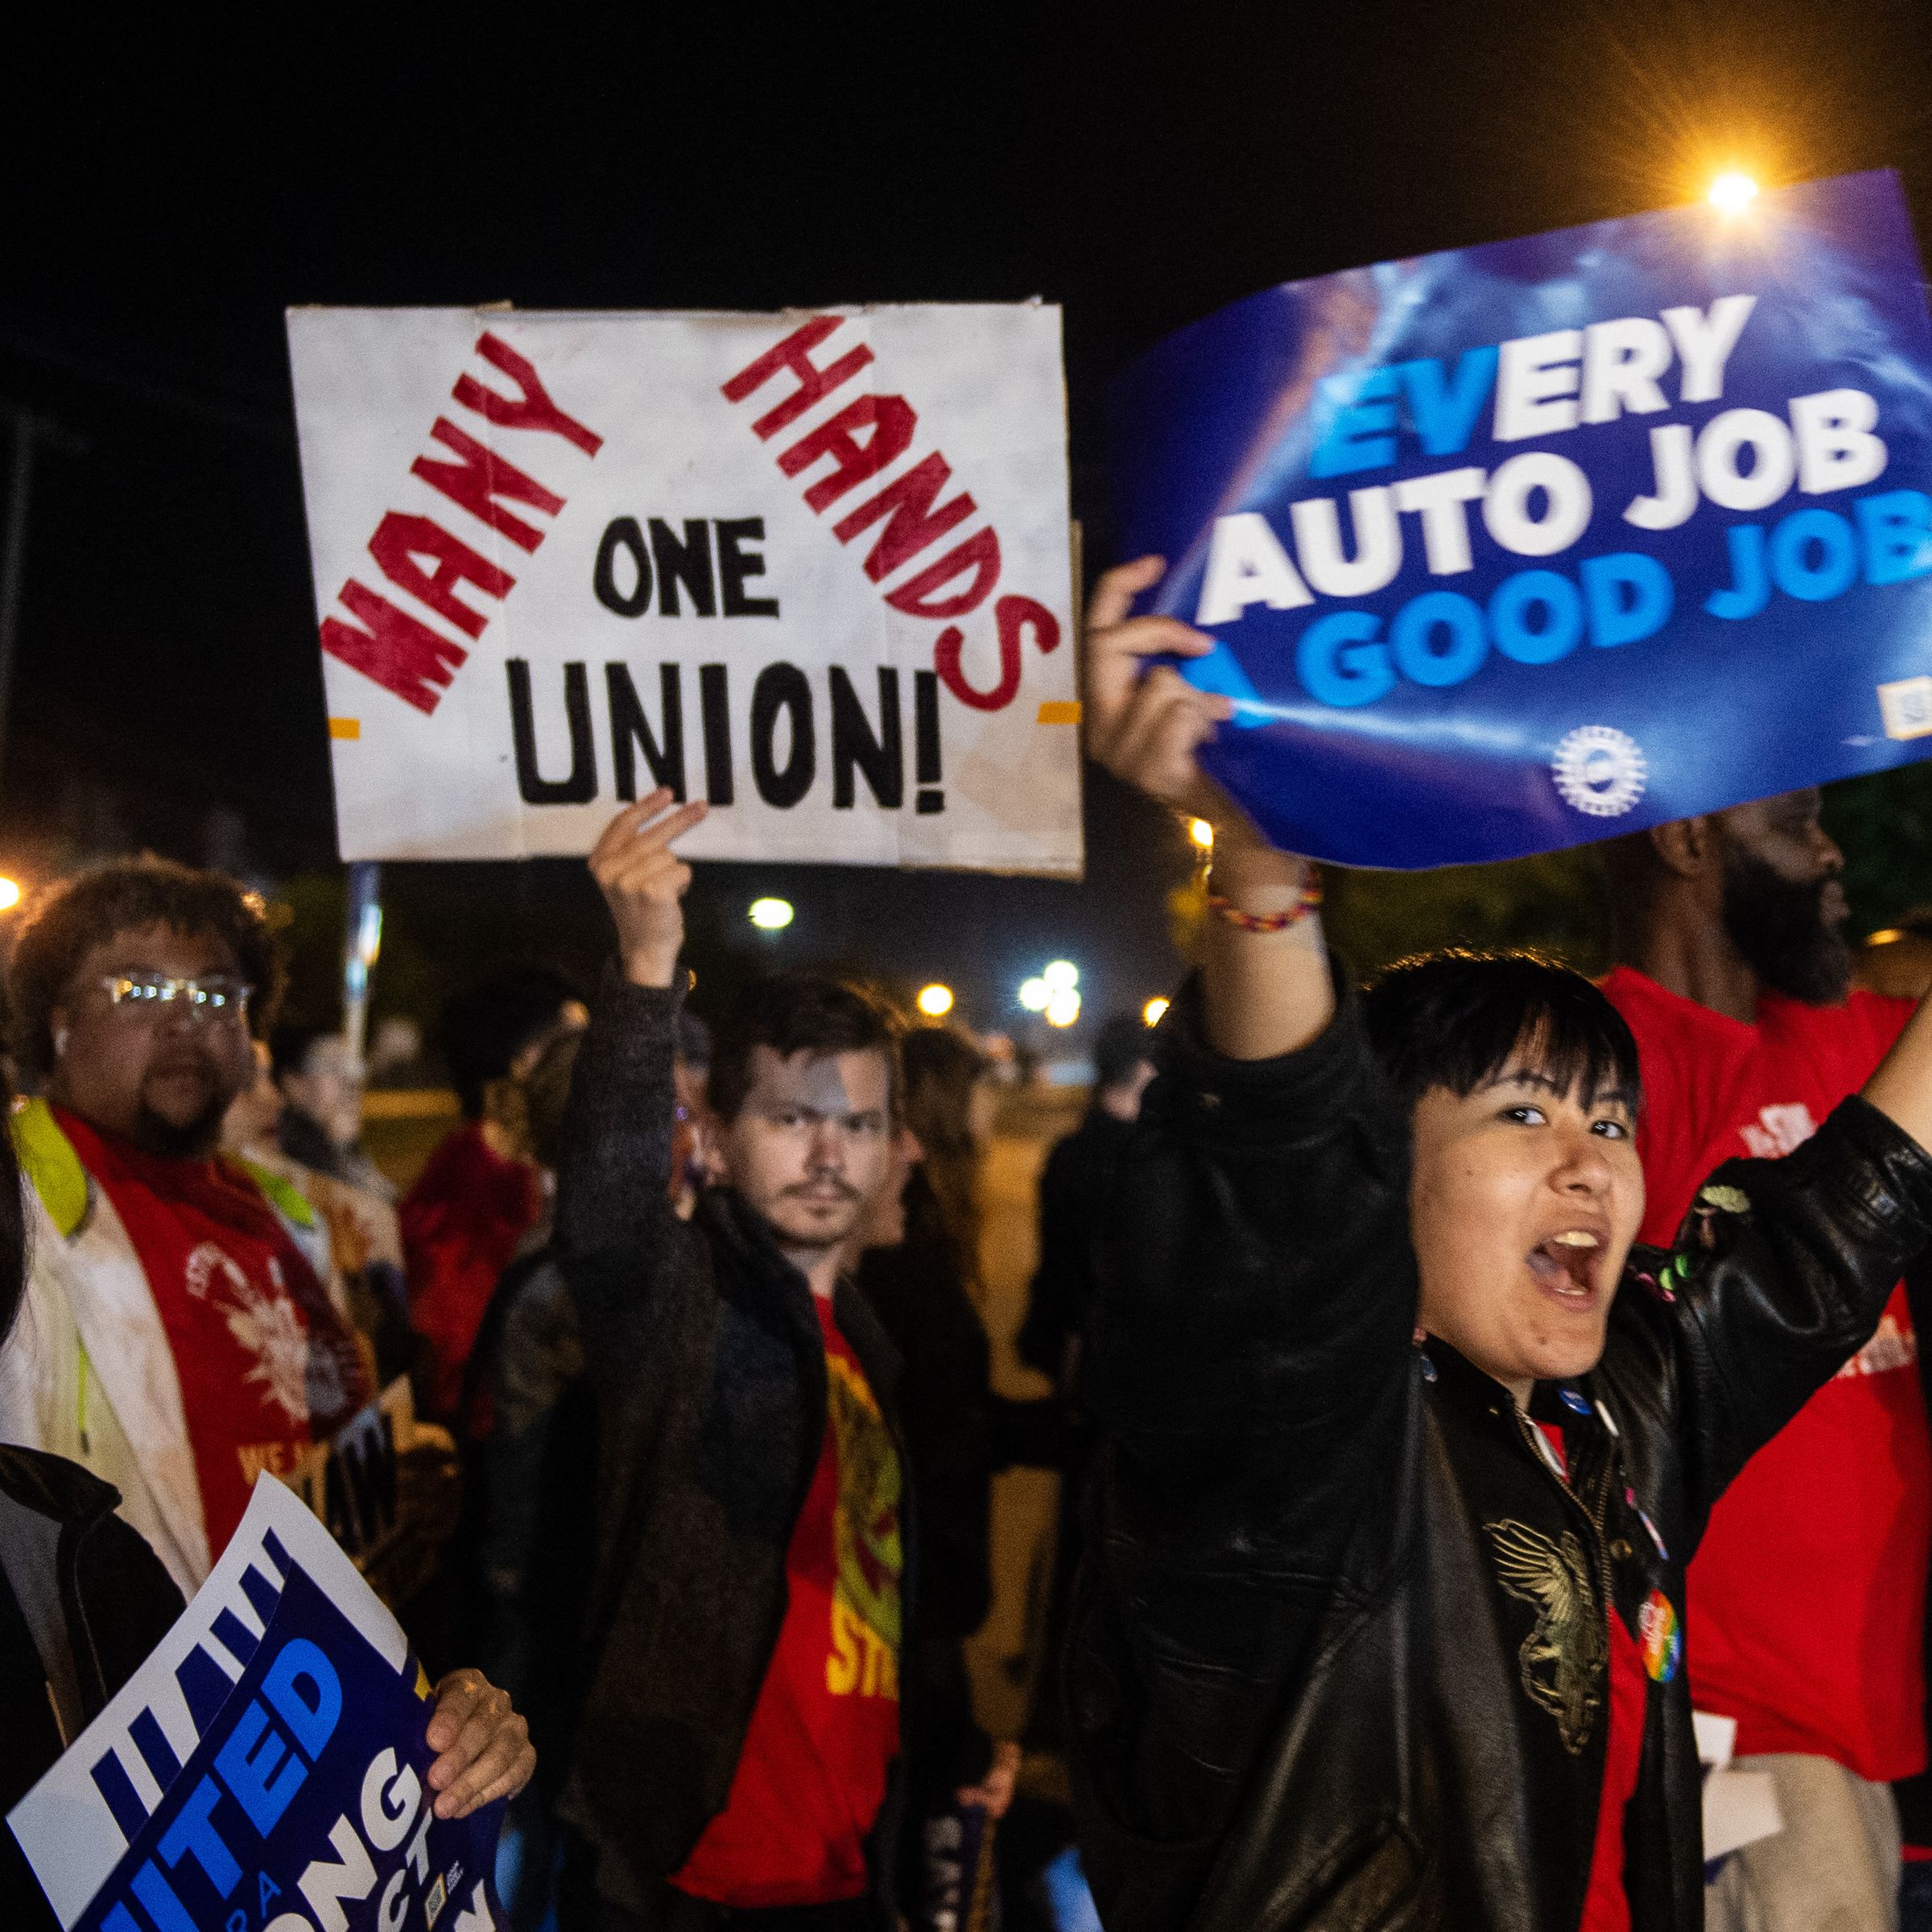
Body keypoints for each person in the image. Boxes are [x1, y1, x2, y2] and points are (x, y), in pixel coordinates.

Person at [1066, 555, 1932, 1931]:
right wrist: (1258, 866)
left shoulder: (1610, 1429)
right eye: (1524, 1112)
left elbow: (1836, 1221)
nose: (1595, 1160)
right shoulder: (1301, 1455)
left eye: (1611, 1119)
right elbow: (1283, 1188)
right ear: (1381, 1180)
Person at [0, 1068, 541, 1930]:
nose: (195, 1032)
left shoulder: (73, 1550)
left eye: (221, 999)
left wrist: (439, 1744)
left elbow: (256, 1835)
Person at [553, 792, 910, 1932]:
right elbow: (607, 1216)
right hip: (692, 1883)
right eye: (790, 1116)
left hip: (847, 1877)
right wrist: (647, 964)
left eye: (855, 1123)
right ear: (711, 1138)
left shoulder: (868, 1341)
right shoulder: (685, 1301)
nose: (826, 1153)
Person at [1600, 797, 1932, 1930]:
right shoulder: (1600, 1084)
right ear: (1687, 841)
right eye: (1796, 820)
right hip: (1740, 1736)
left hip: (1874, 1723)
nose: (1833, 851)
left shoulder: (1847, 1041)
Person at [0, 857, 376, 1596]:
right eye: (138, 990)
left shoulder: (283, 1217)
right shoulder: (19, 1205)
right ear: (60, 1025)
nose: (183, 1020)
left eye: (214, 993)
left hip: (283, 1674)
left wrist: (381, 1475)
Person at [855, 1027, 1037, 1927]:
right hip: (909, 1627)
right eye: (976, 1096)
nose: (988, 1114)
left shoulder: (927, 1246)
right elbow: (921, 1450)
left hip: (927, 1613)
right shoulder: (904, 1262)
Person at [401, 966, 585, 1420]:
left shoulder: (538, 1169)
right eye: (578, 1042)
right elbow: (458, 1357)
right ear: (525, 1061)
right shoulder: (467, 1188)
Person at [1017, 1012, 1155, 1395]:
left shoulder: (1069, 1152)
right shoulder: (1141, 1159)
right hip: (1109, 1347)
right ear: (1141, 1070)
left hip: (1069, 1337)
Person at [271, 1021, 394, 1201]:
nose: (350, 1083)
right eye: (332, 1067)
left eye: (350, 1068)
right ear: (294, 1085)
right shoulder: (281, 1161)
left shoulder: (349, 1152)